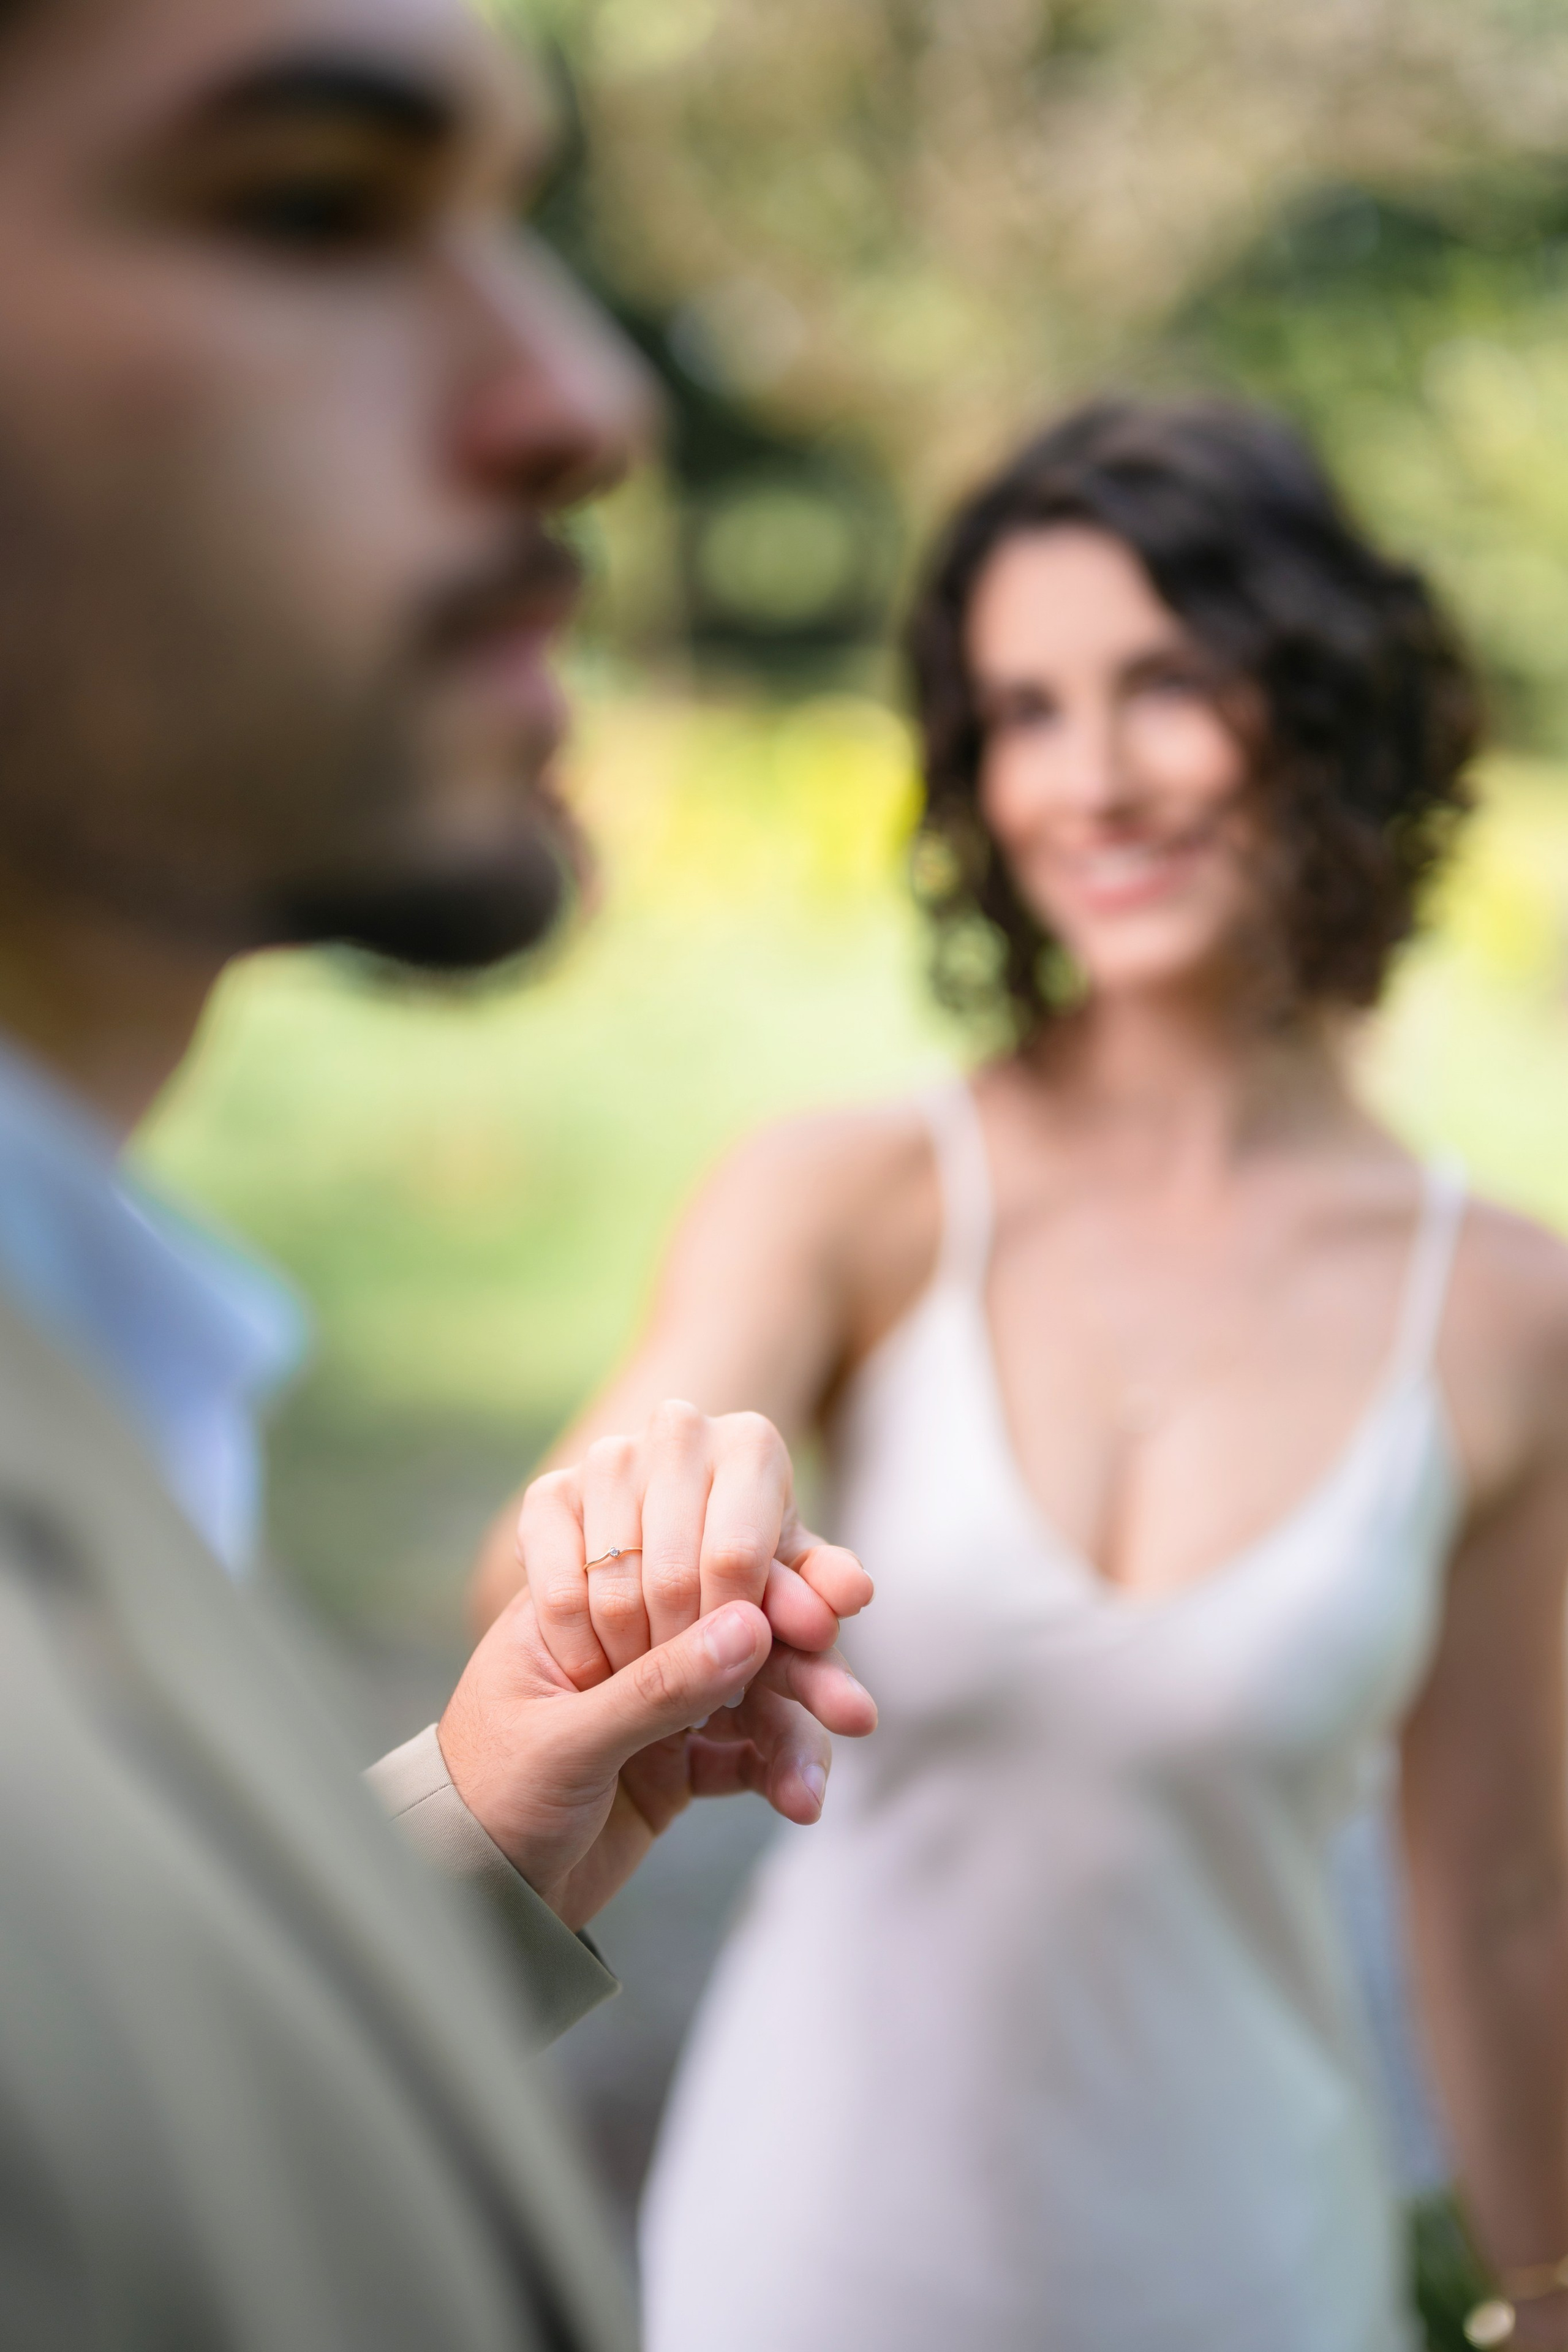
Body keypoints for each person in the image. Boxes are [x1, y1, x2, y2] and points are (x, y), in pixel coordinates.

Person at [476, 399, 1568, 2351]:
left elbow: (1504, 1901)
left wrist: (1550, 2292)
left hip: (1256, 2280)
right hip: (808, 2275)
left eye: (1167, 685)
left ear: (1331, 708)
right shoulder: (851, 1195)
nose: (1094, 782)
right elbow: (535, 1576)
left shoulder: (1505, 1312)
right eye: (1023, 715)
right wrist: (644, 1518)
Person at [0, 0, 878, 2345]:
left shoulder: (104, 1370)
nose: (584, 400)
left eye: (502, 217)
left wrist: (479, 1831)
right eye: (308, 206)